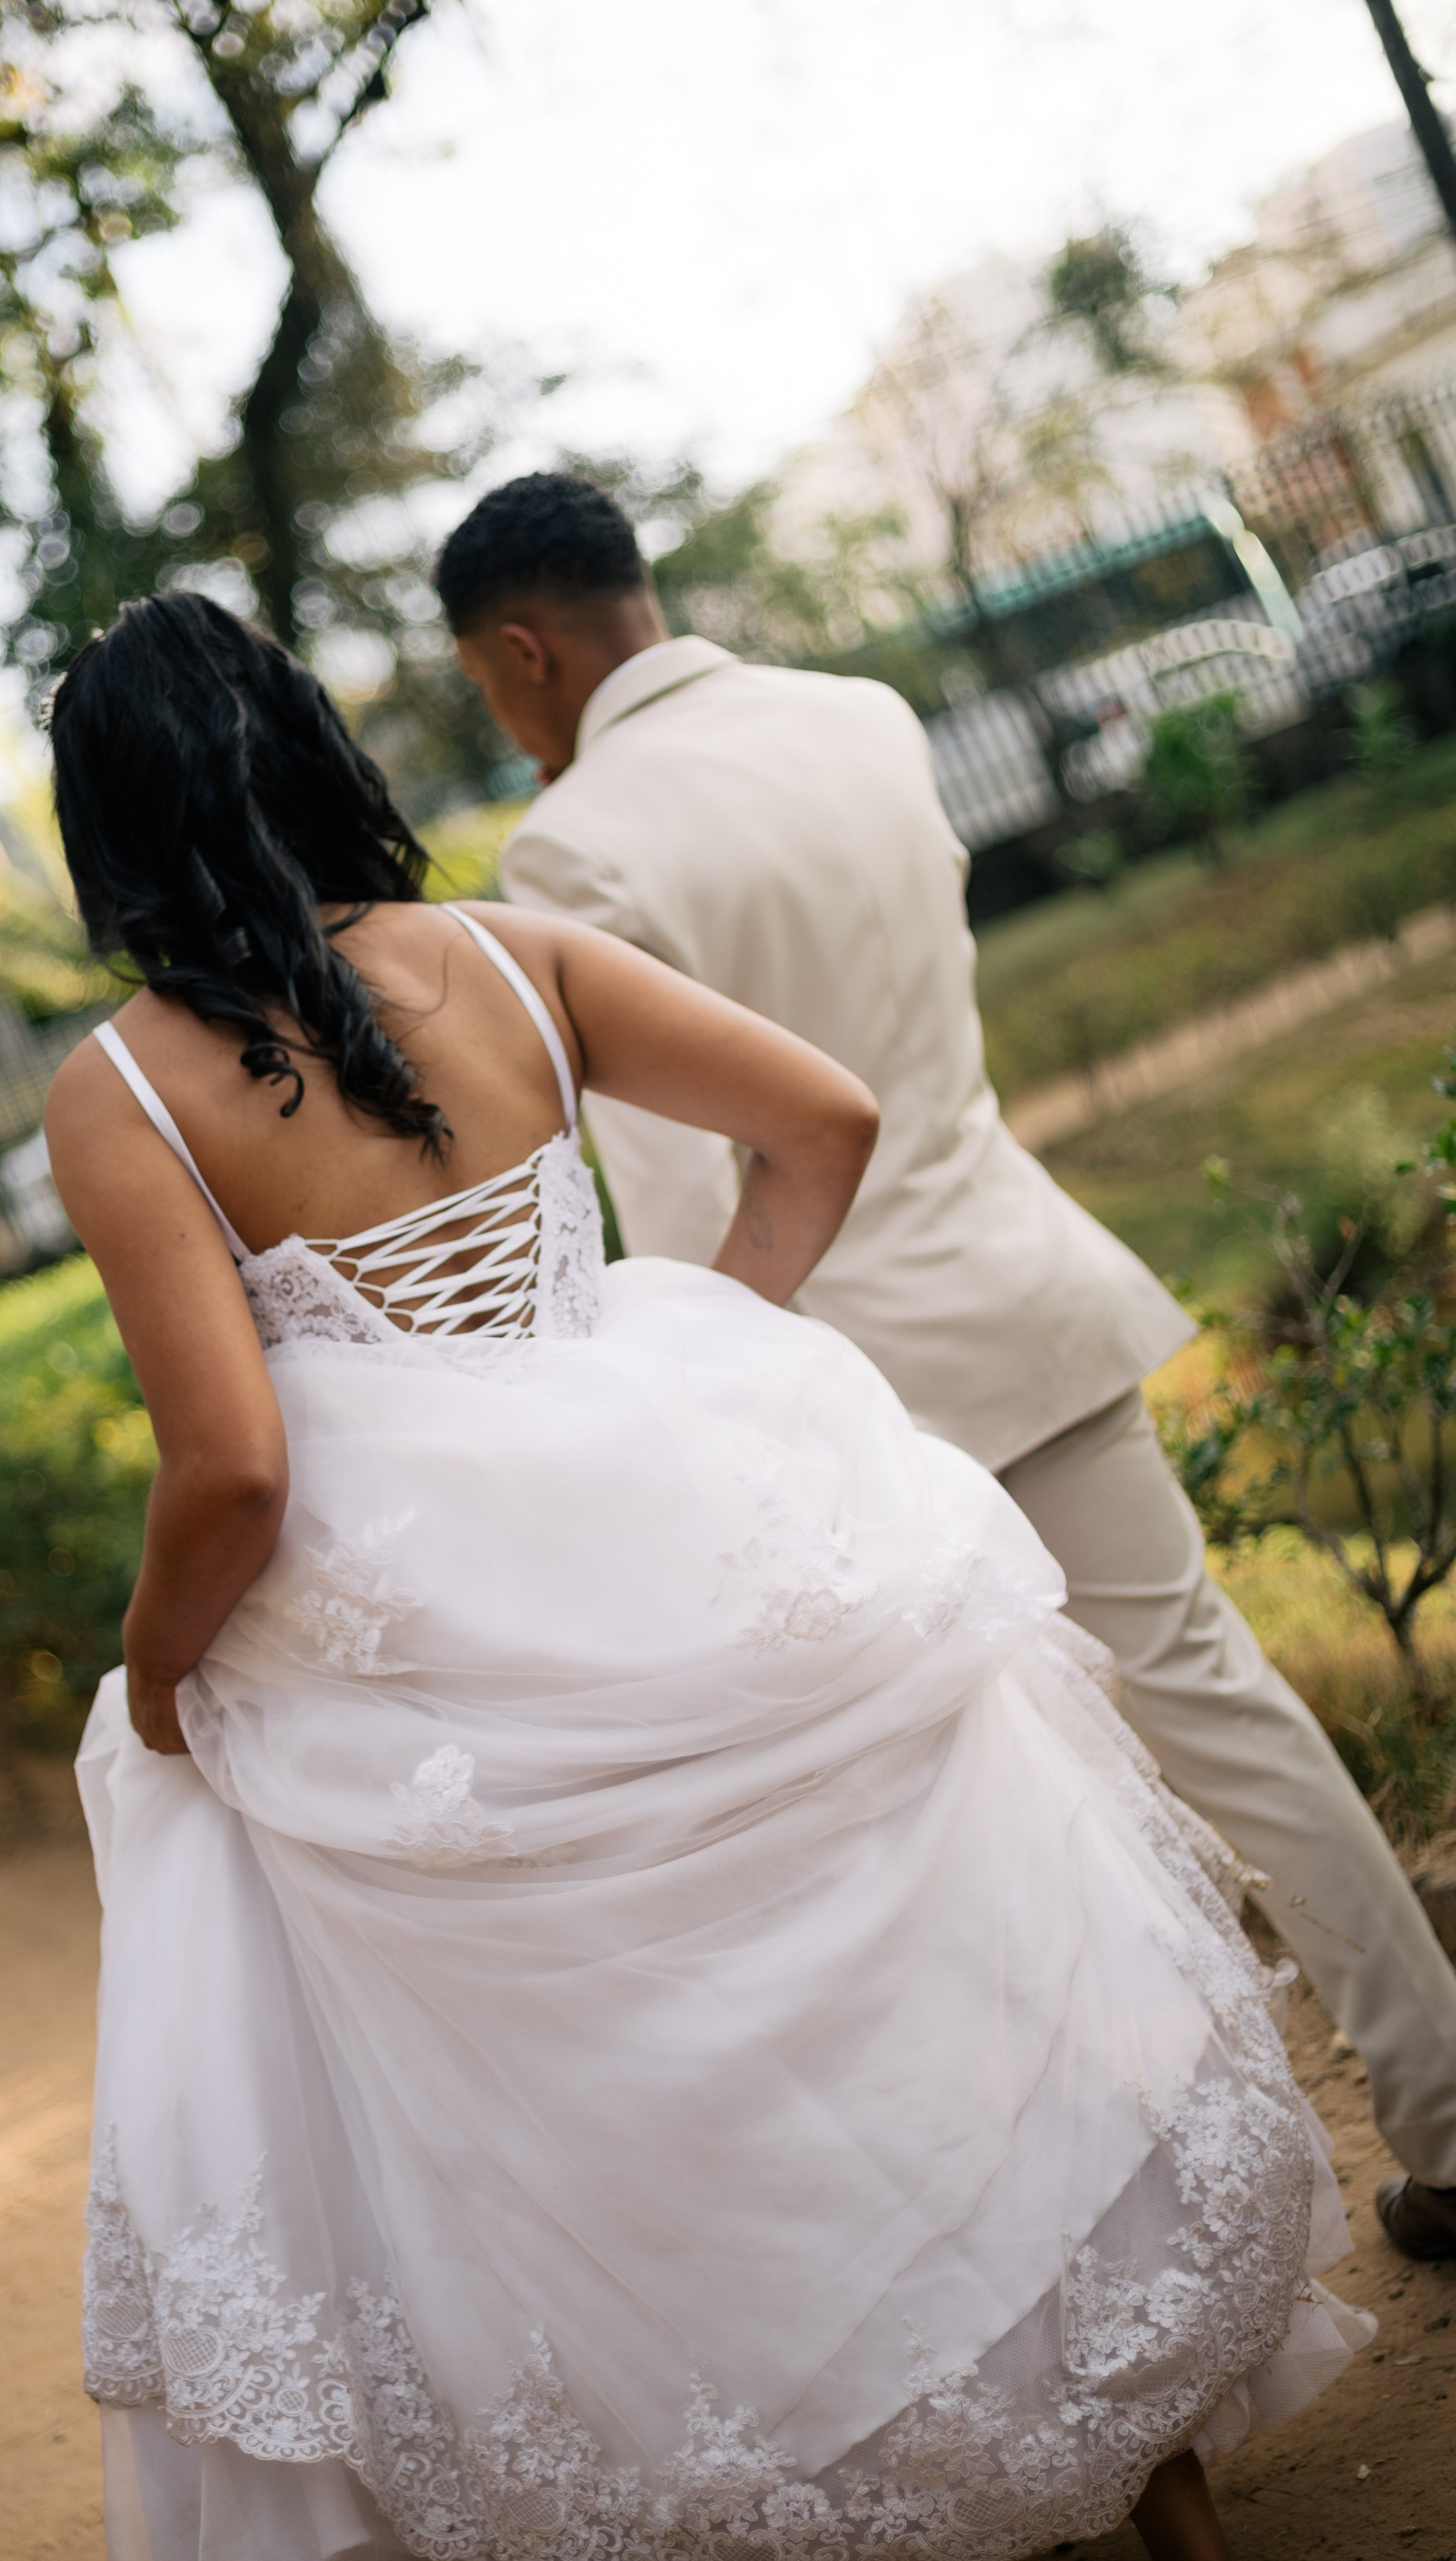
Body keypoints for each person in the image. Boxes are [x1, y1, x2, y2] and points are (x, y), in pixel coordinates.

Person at [46, 590, 1366, 2561]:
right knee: (944, 2008)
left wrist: (152, 1680)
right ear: (305, 746)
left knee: (604, 2112)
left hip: (458, 1674)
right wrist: (690, 1363)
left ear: (106, 831)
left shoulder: (123, 1097)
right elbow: (824, 1119)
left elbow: (232, 1474)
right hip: (711, 1543)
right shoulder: (509, 951)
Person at [436, 470, 1456, 2270]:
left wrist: (707, 1418)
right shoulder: (863, 718)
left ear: (521, 653)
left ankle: (1105, 2257)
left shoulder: (571, 848)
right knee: (1215, 1702)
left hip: (848, 1399)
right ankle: (1445, 2116)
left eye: (483, 687)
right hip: (1014, 1286)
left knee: (938, 1839)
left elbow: (679, 1194)